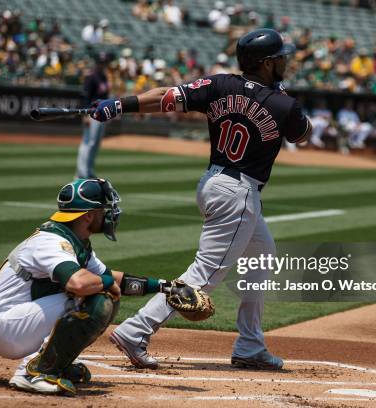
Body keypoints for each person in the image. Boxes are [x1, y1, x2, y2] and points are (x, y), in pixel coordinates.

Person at [88, 28, 311, 370]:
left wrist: (120, 105)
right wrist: (279, 93)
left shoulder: (219, 85)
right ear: (267, 64)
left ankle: (250, 345)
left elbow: (165, 96)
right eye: (281, 57)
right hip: (238, 195)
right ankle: (136, 330)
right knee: (205, 274)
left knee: (262, 256)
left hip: (213, 183)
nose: (286, 61)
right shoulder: (284, 104)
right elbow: (303, 133)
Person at [0, 178, 198, 396]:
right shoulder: (52, 242)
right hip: (4, 327)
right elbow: (80, 283)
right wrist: (107, 283)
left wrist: (166, 287)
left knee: (101, 293)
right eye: (104, 209)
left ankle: (55, 362)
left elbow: (109, 277)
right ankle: (33, 373)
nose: (111, 213)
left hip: (20, 321)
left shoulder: (75, 239)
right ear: (89, 215)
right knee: (93, 297)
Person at [76, 52, 110, 179]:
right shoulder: (91, 77)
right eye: (101, 62)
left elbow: (106, 97)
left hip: (102, 114)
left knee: (95, 143)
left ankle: (89, 171)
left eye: (104, 62)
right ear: (97, 63)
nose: (103, 64)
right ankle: (81, 172)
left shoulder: (104, 77)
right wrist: (85, 114)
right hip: (91, 113)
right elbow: (85, 96)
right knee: (88, 142)